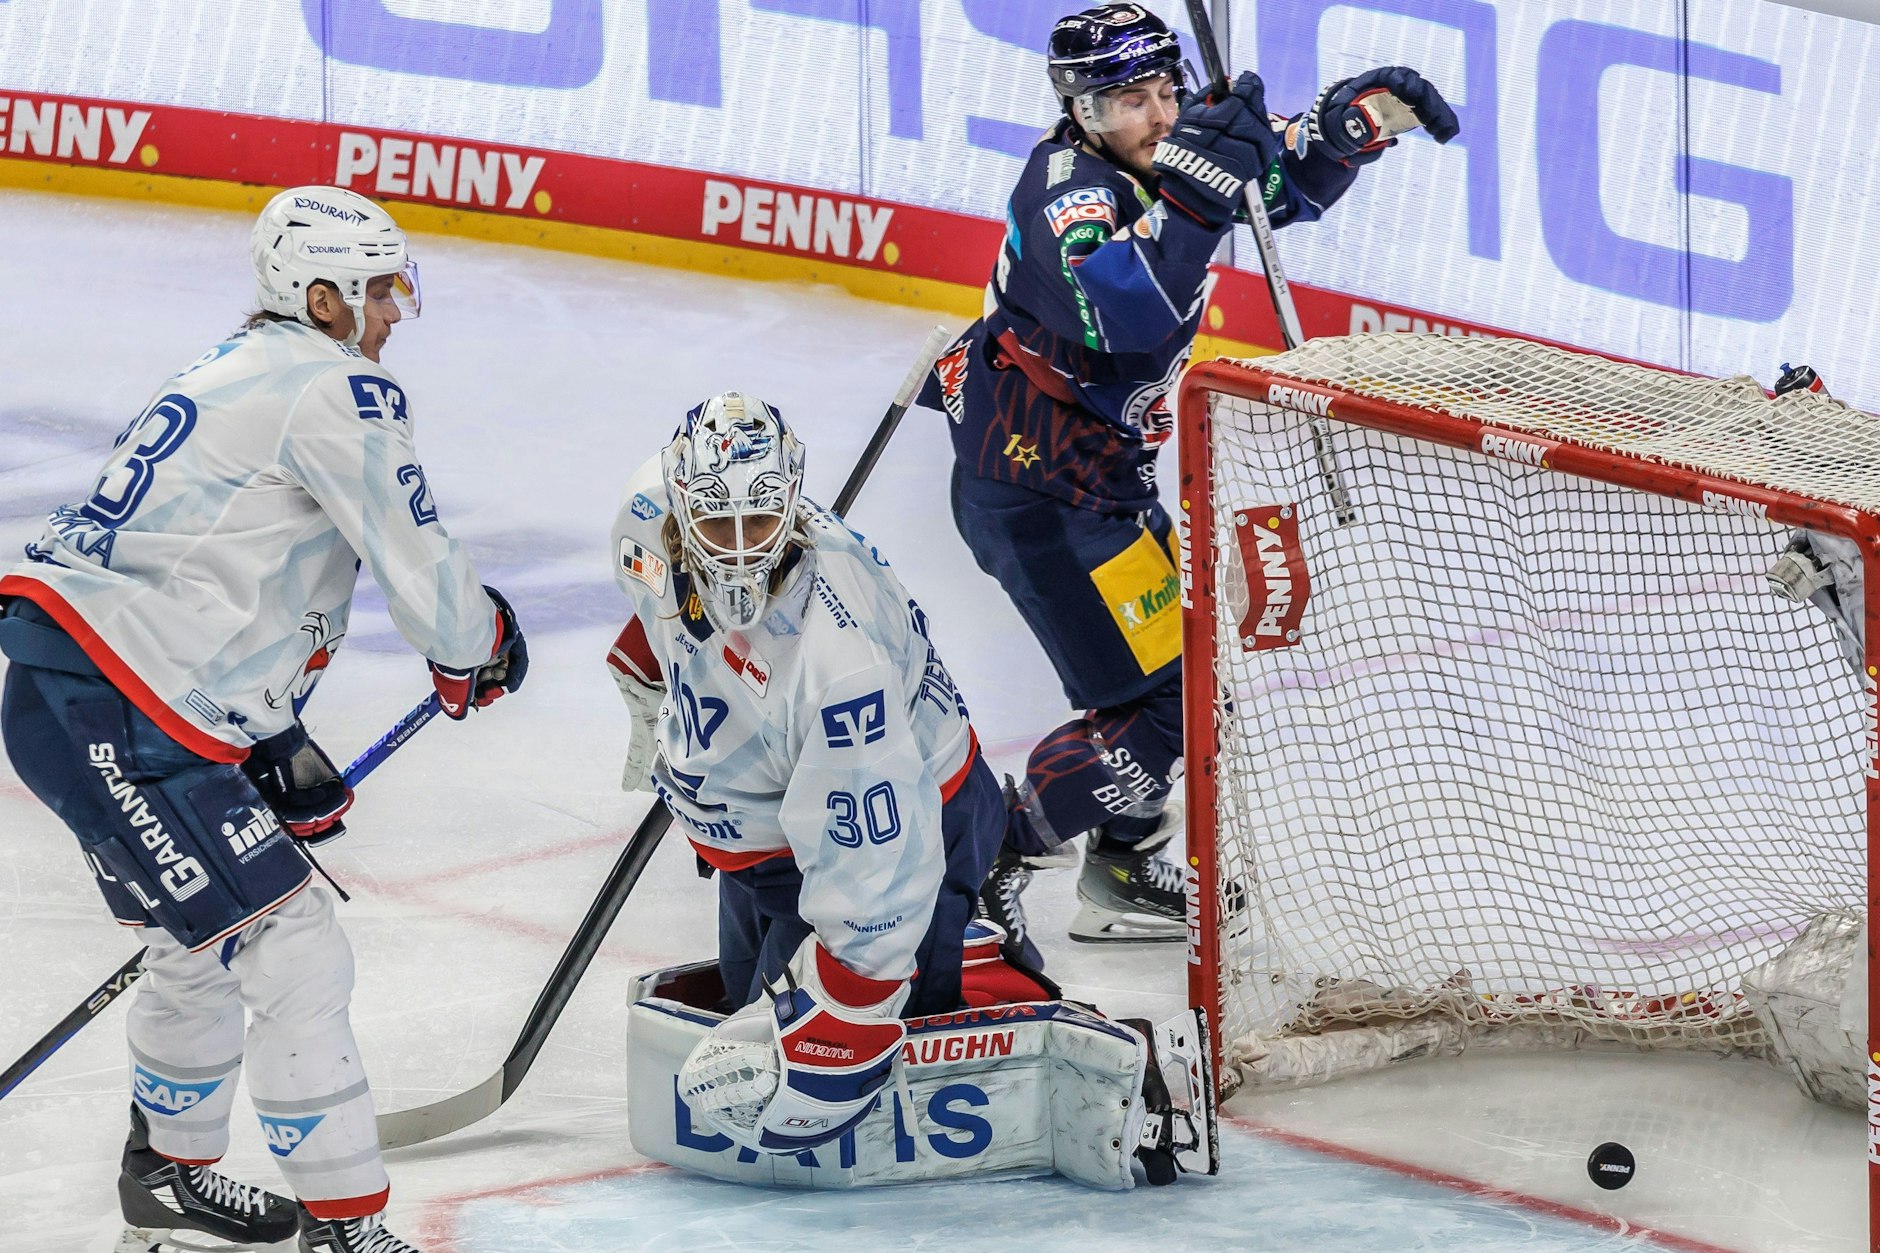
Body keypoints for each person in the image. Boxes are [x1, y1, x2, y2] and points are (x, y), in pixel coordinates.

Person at [0, 186, 527, 1253]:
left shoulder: (235, 368)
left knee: (194, 944)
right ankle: (341, 1229)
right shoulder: (339, 390)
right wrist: (472, 647)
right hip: (128, 707)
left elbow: (214, 570)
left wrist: (270, 737)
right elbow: (413, 555)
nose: (393, 310)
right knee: (292, 945)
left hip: (84, 693)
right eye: (379, 290)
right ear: (320, 296)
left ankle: (166, 1179)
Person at [918, 3, 1457, 960]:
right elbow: (1126, 307)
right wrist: (1202, 191)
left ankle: (1120, 868)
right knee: (1167, 700)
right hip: (1038, 492)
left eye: (1166, 91)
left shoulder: (1149, 153)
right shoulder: (1065, 198)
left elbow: (1264, 186)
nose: (1161, 116)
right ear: (1079, 108)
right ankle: (986, 855)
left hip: (1096, 477)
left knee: (1176, 680)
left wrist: (1346, 129)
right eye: (1131, 99)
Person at [604, 391, 1038, 1157]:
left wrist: (844, 1026)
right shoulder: (644, 513)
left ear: (793, 505)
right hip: (771, 837)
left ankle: (973, 956)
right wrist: (659, 705)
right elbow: (659, 613)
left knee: (851, 1040)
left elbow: (879, 875)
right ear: (678, 504)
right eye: (716, 523)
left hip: (908, 826)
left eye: (761, 523)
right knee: (747, 1005)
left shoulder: (839, 664)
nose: (738, 549)